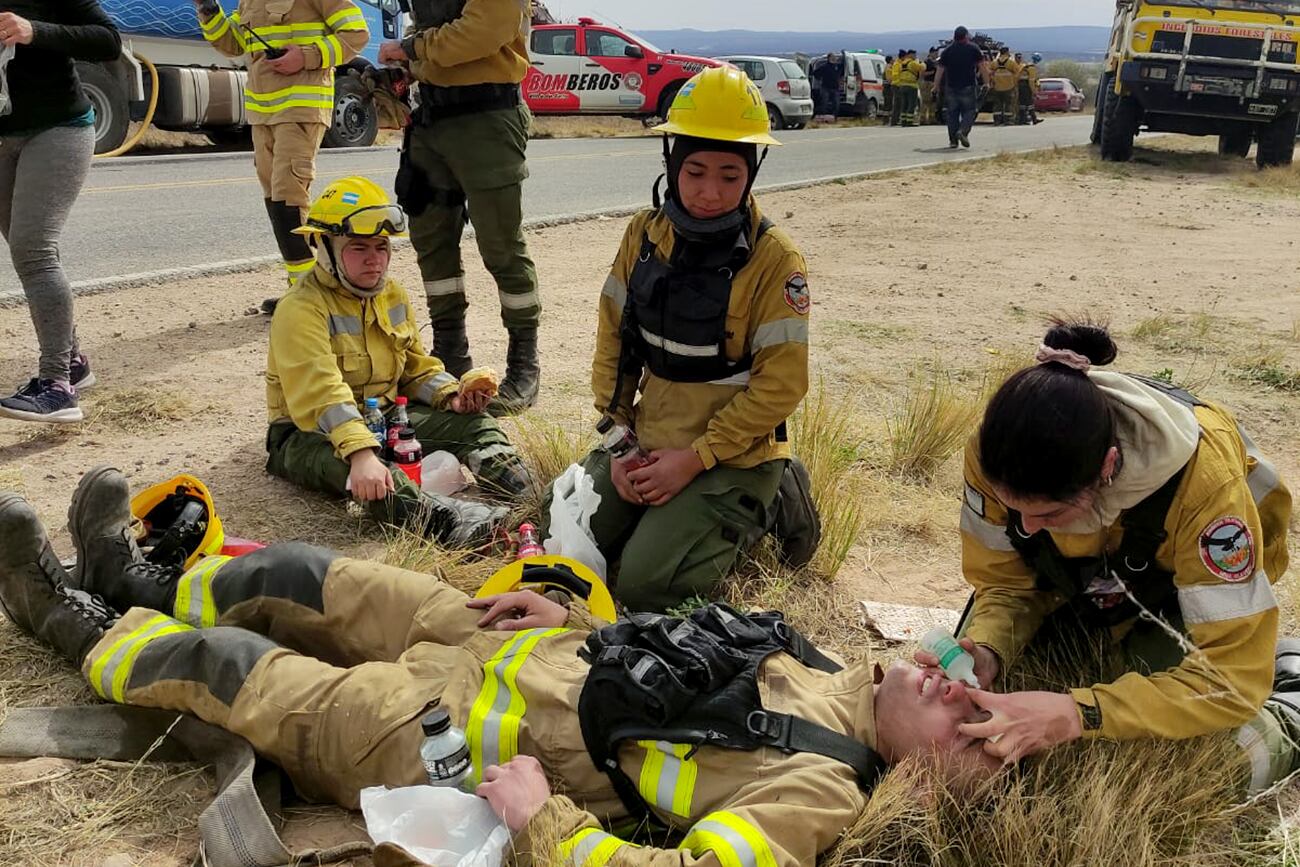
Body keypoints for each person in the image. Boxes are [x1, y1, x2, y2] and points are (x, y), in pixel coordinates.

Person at [0, 465, 1003, 867]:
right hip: (497, 639)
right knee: (302, 574)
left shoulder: (819, 790)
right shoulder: (832, 662)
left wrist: (545, 820)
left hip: (444, 734)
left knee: (226, 666)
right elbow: (665, 646)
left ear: (925, 780)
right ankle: (128, 575)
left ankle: (61, 615)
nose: (956, 690)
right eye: (975, 693)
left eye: (966, 728)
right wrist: (569, 602)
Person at [924, 320, 1299, 791]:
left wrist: (1079, 713)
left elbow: (1229, 678)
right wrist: (988, 648)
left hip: (1180, 596)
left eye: (1051, 512)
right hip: (1087, 584)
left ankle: (1291, 703)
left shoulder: (1205, 488)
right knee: (1000, 694)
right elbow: (1006, 582)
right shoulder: (994, 455)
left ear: (1107, 468)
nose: (1027, 527)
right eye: (1015, 510)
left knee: (1199, 768)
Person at [557, 67, 811, 613]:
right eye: (694, 172)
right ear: (672, 163)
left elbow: (782, 386)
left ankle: (774, 497)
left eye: (729, 176)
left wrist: (694, 460)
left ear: (752, 174)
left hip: (732, 455)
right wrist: (619, 443)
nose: (709, 193)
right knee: (572, 555)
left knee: (644, 587)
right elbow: (613, 340)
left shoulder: (776, 260)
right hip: (648, 436)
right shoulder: (644, 235)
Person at [264, 176, 532, 547]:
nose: (374, 259)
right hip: (308, 436)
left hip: (386, 417)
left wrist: (451, 396)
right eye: (358, 248)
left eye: (382, 246)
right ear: (322, 248)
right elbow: (320, 393)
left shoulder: (391, 294)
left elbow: (413, 367)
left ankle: (530, 496)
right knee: (375, 477)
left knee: (476, 426)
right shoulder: (299, 309)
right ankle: (449, 523)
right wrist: (361, 454)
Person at [377, 0, 542, 417]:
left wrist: (411, 49)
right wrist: (405, 72)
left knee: (501, 247)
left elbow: (486, 29)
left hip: (487, 117)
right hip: (431, 118)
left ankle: (524, 365)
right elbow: (432, 28)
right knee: (432, 243)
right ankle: (450, 356)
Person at [194, 0, 369, 314]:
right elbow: (234, 43)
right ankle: (303, 289)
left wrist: (306, 56)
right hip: (263, 113)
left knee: (289, 196)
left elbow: (356, 34)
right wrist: (209, 10)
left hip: (301, 105)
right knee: (276, 198)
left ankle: (311, 296)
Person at [0, 0, 119, 425]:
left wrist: (34, 30)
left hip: (58, 129)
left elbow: (109, 42)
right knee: (25, 252)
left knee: (34, 251)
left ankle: (57, 387)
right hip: (4, 136)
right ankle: (72, 363)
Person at [934, 26, 990, 149]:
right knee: (970, 110)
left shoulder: (947, 51)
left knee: (952, 114)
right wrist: (987, 82)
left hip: (952, 87)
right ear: (965, 36)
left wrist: (935, 86)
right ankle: (963, 131)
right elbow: (982, 67)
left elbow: (940, 70)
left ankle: (953, 141)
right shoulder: (973, 49)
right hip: (968, 86)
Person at [892, 49, 925, 128]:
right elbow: (922, 68)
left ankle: (903, 121)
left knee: (904, 104)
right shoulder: (912, 63)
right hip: (911, 86)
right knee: (911, 104)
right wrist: (922, 63)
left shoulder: (901, 64)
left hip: (902, 86)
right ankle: (909, 121)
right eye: (914, 55)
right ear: (911, 55)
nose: (915, 56)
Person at [989, 47, 1020, 126]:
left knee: (997, 105)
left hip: (997, 87)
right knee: (1008, 104)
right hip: (1009, 87)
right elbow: (1017, 74)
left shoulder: (994, 63)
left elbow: (989, 73)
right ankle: (1008, 120)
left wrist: (992, 82)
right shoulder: (1011, 63)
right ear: (1006, 52)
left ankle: (997, 121)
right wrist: (1014, 83)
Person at [812, 52, 840, 118]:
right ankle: (823, 117)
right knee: (824, 103)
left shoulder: (837, 67)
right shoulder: (824, 67)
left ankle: (834, 117)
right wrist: (819, 79)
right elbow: (815, 73)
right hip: (825, 88)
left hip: (835, 88)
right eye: (833, 57)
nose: (834, 58)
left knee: (836, 104)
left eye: (835, 57)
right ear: (829, 58)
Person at [1018, 53, 1042, 125]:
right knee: (1029, 103)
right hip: (1026, 86)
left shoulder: (1027, 66)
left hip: (1021, 85)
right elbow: (1031, 81)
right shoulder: (1032, 68)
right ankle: (1033, 119)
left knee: (1023, 104)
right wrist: (1034, 91)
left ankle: (1023, 120)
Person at [920, 47, 941, 126]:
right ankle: (922, 119)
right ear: (931, 53)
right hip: (927, 83)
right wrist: (931, 72)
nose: (936, 55)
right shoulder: (927, 62)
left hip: (934, 83)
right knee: (926, 101)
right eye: (935, 53)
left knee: (933, 101)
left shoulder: (936, 62)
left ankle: (932, 119)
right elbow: (922, 74)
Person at [881, 54, 895, 122]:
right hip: (888, 88)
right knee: (888, 104)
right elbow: (889, 79)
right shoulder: (889, 67)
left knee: (887, 103)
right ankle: (886, 119)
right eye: (892, 60)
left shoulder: (886, 67)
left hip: (886, 87)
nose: (893, 61)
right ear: (890, 60)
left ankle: (886, 119)